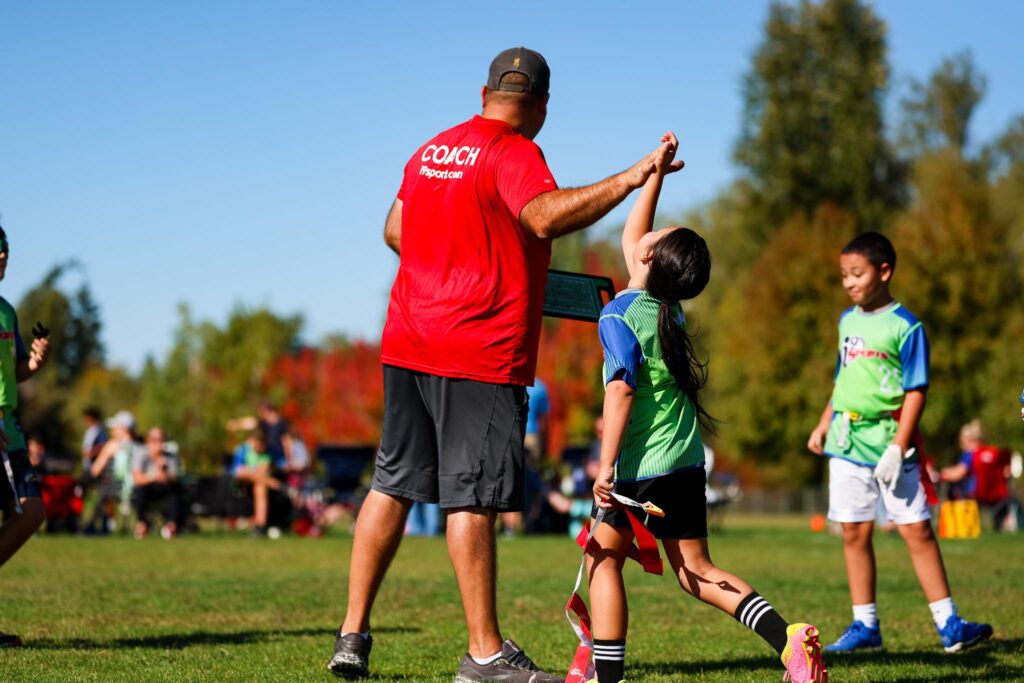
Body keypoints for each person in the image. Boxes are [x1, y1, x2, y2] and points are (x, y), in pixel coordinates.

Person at [329, 46, 682, 682]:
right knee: (473, 498)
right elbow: (542, 217)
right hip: (479, 350)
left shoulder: (431, 149)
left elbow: (394, 231)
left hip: (408, 340)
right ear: (541, 104)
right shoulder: (516, 151)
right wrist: (632, 177)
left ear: (484, 90)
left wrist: (461, 252)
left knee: (392, 485)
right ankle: (485, 656)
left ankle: (352, 633)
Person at [586, 134, 825, 683]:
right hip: (686, 460)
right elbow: (634, 234)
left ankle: (605, 678)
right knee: (695, 571)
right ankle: (788, 640)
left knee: (602, 560)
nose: (650, 229)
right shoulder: (668, 313)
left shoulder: (618, 316)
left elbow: (619, 391)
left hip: (639, 469)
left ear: (649, 257)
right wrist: (657, 174)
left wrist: (603, 469)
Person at [807, 232, 992, 653]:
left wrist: (898, 446)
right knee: (853, 532)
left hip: (891, 442)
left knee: (916, 531)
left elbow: (916, 390)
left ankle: (950, 625)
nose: (849, 283)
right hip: (846, 443)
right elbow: (843, 380)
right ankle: (865, 627)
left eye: (857, 273)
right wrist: (823, 424)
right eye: (844, 276)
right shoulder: (846, 321)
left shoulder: (907, 327)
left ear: (884, 271)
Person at [0, 224, 51, 647]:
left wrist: (34, 363)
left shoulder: (6, 311)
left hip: (9, 430)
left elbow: (15, 372)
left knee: (32, 511)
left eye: (6, 252)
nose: (2, 258)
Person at [940, 420, 1018, 532]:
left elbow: (960, 473)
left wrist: (942, 473)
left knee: (953, 489)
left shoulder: (971, 455)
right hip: (998, 494)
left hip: (976, 493)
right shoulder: (995, 453)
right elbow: (1007, 472)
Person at [89, 410, 141, 532]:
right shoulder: (140, 446)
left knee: (103, 490)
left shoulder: (112, 446)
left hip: (113, 489)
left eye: (115, 427)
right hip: (138, 487)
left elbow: (95, 470)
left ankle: (102, 524)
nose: (112, 430)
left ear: (123, 429)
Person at [230, 425, 283, 537]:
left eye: (262, 445)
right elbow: (238, 473)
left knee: (260, 486)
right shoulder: (243, 450)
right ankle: (259, 525)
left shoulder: (268, 453)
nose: (260, 448)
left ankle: (259, 526)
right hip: (243, 486)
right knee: (261, 482)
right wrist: (268, 480)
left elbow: (265, 470)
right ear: (252, 441)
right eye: (258, 445)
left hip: (260, 485)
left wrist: (252, 472)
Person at [130, 427, 183, 539]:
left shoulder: (170, 457)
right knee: (139, 490)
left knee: (175, 490)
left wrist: (163, 470)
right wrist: (153, 477)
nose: (158, 443)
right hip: (147, 489)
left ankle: (171, 526)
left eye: (161, 440)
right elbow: (137, 478)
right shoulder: (141, 454)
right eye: (155, 440)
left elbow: (174, 477)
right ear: (148, 441)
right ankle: (142, 525)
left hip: (165, 489)